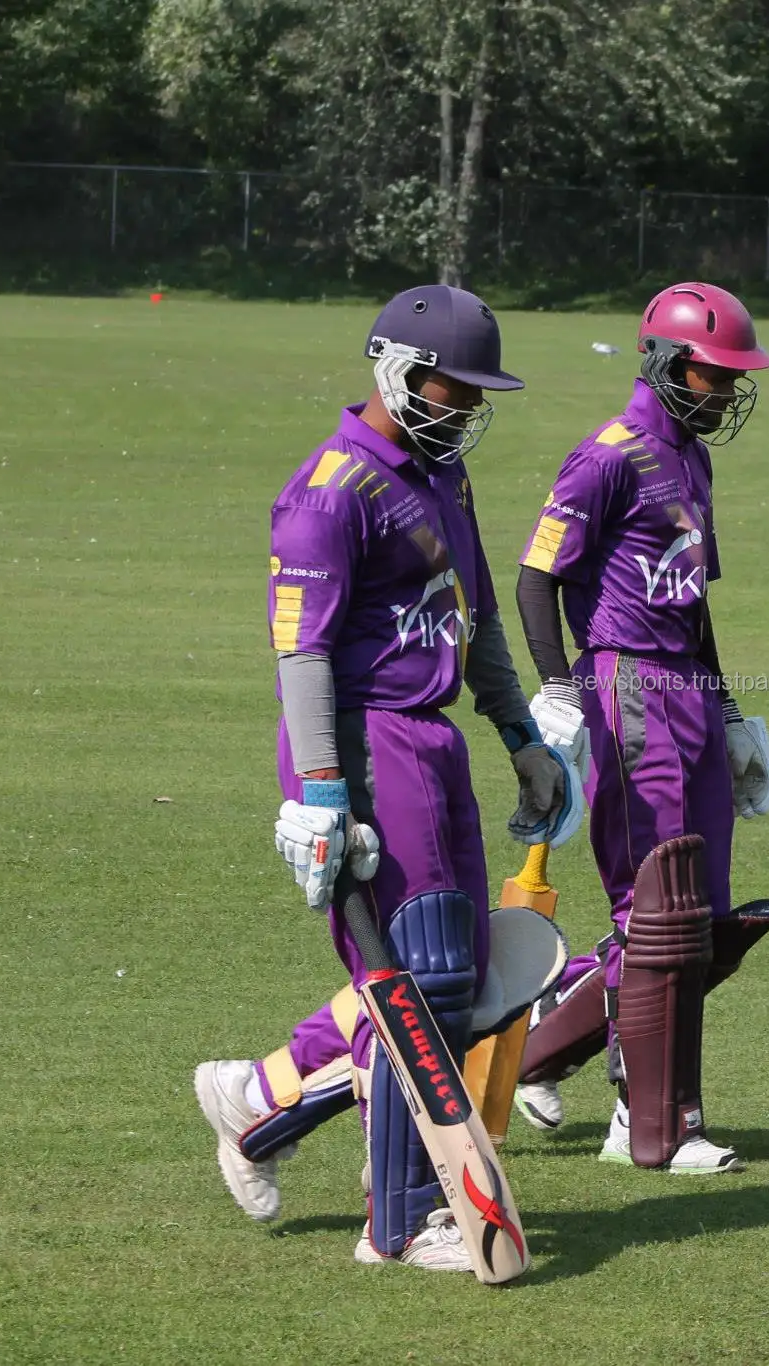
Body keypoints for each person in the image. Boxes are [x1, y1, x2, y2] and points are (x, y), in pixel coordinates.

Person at [190, 284, 571, 1270]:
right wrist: (321, 792)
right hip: (363, 742)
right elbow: (303, 652)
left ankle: (257, 1105)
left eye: (476, 393)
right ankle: (399, 1224)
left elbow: (475, 617)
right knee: (421, 980)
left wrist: (521, 737)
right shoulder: (330, 490)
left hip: (432, 740)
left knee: (444, 982)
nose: (466, 407)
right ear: (397, 371)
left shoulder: (446, 477)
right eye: (453, 387)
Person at [509, 281, 769, 1174]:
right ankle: (646, 1117)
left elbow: (693, 600)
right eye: (714, 375)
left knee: (704, 920)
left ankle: (540, 1042)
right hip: (627, 684)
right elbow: (537, 578)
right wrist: (559, 690)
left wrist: (729, 711)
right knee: (656, 908)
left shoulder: (693, 460)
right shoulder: (607, 457)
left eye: (734, 378)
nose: (727, 392)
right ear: (667, 364)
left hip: (689, 689)